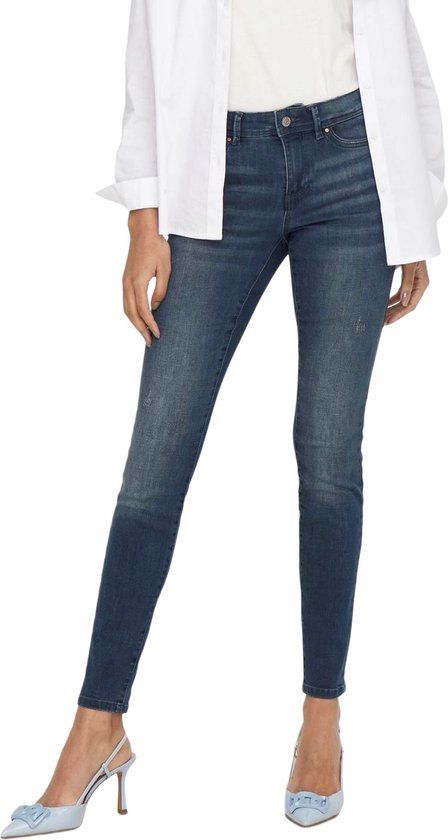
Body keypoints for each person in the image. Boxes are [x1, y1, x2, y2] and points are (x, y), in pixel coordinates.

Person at [2, 0, 445, 834]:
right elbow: (147, 53)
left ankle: (322, 720)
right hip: (218, 171)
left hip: (355, 165)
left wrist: (416, 203)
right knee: (153, 468)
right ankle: (98, 725)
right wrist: (143, 217)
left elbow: (396, 35)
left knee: (328, 456)